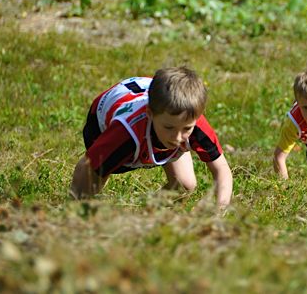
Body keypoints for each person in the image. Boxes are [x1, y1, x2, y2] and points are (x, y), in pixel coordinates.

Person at [70, 66, 233, 209]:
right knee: (94, 181)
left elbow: (222, 170)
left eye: (187, 129)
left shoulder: (194, 125)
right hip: (103, 124)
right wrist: (74, 208)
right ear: (150, 114)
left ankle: (150, 212)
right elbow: (86, 166)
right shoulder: (125, 133)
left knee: (185, 185)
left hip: (151, 113)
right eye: (169, 127)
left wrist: (219, 213)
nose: (177, 137)